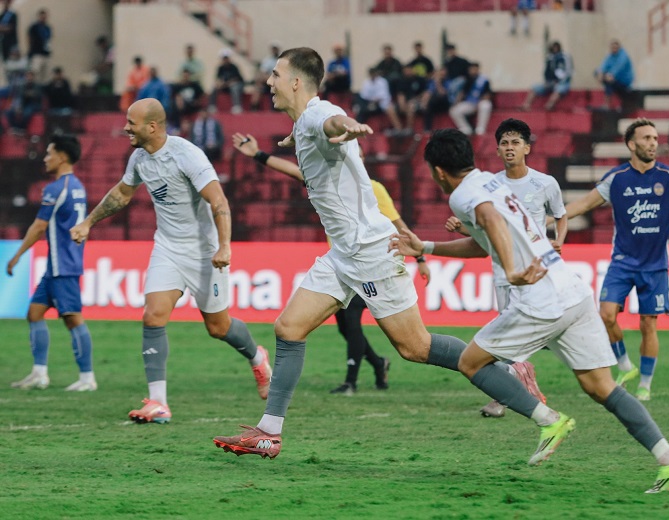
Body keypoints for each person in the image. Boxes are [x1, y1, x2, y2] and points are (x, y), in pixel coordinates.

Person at [392, 128, 669, 493]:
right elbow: (484, 242)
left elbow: (491, 221)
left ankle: (548, 420)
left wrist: (512, 270)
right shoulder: (489, 182)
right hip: (570, 290)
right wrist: (426, 246)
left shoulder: (464, 196)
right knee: (602, 387)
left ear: (438, 171)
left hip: (539, 300)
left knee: (470, 362)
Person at [212, 47, 479, 459]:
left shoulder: (324, 121)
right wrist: (265, 153)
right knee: (289, 327)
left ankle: (499, 366)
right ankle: (269, 431)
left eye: (275, 74)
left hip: (372, 253)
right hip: (343, 256)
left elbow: (331, 120)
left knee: (413, 347)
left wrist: (348, 125)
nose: (268, 82)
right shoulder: (308, 131)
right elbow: (307, 162)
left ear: (296, 81)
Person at [69, 98, 272, 423]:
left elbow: (218, 200)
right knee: (153, 316)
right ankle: (158, 403)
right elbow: (122, 193)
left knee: (218, 327)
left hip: (204, 252)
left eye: (131, 123)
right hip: (167, 247)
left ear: (152, 127)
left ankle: (257, 357)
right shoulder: (139, 158)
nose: (125, 128)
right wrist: (88, 223)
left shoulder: (187, 155)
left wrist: (224, 246)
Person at [231, 131, 431, 394]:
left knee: (355, 325)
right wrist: (258, 154)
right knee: (346, 328)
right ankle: (377, 363)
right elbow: (295, 171)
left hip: (370, 263)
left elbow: (398, 223)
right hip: (342, 265)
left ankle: (351, 382)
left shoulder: (373, 189)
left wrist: (420, 256)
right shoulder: (330, 181)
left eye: (360, 156)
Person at [564, 118, 669, 401]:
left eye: (655, 138)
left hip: (655, 265)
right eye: (647, 138)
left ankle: (645, 386)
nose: (653, 143)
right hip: (622, 262)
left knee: (648, 324)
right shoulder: (617, 179)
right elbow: (584, 204)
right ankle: (625, 365)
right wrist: (550, 219)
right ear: (631, 144)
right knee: (606, 315)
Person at [456, 118, 566, 418]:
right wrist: (463, 227)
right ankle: (519, 375)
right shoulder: (491, 185)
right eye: (504, 143)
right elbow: (486, 229)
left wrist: (559, 241)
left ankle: (505, 392)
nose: (509, 147)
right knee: (511, 332)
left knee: (507, 333)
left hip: (535, 269)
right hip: (503, 269)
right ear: (497, 150)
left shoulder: (545, 183)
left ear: (527, 148)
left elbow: (561, 215)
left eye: (515, 142)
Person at [6, 134, 96, 392]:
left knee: (73, 319)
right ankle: (39, 374)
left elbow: (38, 227)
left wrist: (17, 254)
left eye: (49, 153)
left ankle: (87, 378)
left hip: (62, 265)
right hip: (58, 265)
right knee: (34, 313)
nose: (45, 158)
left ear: (62, 156)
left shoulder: (55, 189)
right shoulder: (77, 186)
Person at [521, 41, 573, 111]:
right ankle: (526, 105)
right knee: (534, 88)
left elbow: (568, 71)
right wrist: (547, 81)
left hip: (562, 82)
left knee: (558, 89)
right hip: (550, 82)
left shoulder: (565, 57)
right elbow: (546, 71)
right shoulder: (550, 57)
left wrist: (560, 81)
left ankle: (548, 106)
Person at [448, 62, 492, 136]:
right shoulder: (468, 80)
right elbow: (462, 93)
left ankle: (480, 129)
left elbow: (487, 94)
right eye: (471, 69)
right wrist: (456, 103)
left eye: (474, 69)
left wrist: (477, 104)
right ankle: (465, 128)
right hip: (470, 103)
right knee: (454, 111)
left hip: (480, 102)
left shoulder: (484, 80)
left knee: (486, 105)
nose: (473, 71)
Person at [353, 66, 403, 131]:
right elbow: (364, 95)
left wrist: (375, 100)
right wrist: (371, 101)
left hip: (383, 102)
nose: (372, 75)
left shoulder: (382, 81)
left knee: (390, 109)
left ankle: (398, 128)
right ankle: (359, 128)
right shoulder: (366, 82)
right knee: (360, 110)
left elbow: (384, 95)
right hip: (370, 103)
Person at [594, 40, 634, 110]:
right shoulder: (610, 56)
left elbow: (618, 68)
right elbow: (603, 66)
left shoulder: (623, 56)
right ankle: (607, 104)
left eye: (615, 47)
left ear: (619, 48)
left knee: (609, 81)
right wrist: (600, 73)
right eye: (612, 47)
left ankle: (607, 104)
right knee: (597, 74)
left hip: (624, 81)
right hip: (614, 80)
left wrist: (610, 75)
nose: (614, 49)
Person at [210, 49, 244, 114]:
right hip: (225, 86)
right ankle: (212, 106)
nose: (225, 60)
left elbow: (237, 79)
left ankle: (237, 106)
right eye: (224, 58)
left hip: (235, 85)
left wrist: (227, 83)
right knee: (214, 87)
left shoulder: (234, 67)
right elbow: (218, 78)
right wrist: (219, 83)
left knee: (234, 87)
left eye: (226, 58)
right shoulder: (220, 68)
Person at [250, 42, 280, 111]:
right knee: (258, 88)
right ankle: (254, 107)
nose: (274, 50)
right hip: (269, 81)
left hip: (277, 81)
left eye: (275, 49)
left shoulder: (281, 60)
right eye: (273, 49)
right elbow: (263, 72)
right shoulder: (267, 60)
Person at [27, 8, 51, 83]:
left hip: (45, 53)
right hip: (36, 53)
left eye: (44, 17)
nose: (43, 18)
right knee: (35, 72)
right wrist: (31, 50)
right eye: (42, 16)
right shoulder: (34, 27)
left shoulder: (47, 28)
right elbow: (29, 39)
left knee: (45, 75)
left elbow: (48, 40)